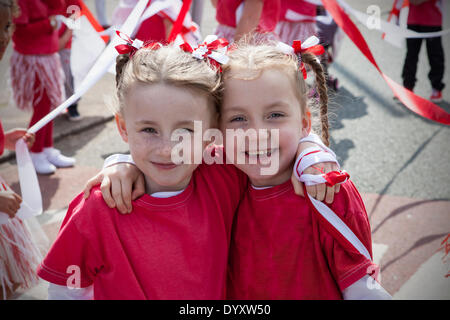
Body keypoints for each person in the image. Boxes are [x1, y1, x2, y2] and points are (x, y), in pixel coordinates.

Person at [221, 40, 391, 299]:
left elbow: (361, 290)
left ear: (303, 124)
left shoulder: (326, 190)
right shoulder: (222, 184)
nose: (256, 134)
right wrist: (133, 165)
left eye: (275, 115)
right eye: (238, 118)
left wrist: (310, 148)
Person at [10, 0, 75, 175]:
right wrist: (50, 23)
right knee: (42, 106)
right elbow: (19, 30)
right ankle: (35, 151)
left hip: (48, 53)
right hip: (34, 57)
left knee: (50, 105)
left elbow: (59, 7)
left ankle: (47, 148)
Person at [401, 0, 445, 102]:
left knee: (435, 55)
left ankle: (436, 87)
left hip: (433, 21)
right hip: (412, 20)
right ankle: (408, 87)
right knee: (411, 55)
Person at [211, 0, 280, 42]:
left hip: (247, 36)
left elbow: (250, 19)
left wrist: (236, 49)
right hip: (227, 32)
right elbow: (217, 5)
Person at [58, 0, 82, 121]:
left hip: (65, 42)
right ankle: (54, 107)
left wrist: (67, 34)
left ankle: (72, 105)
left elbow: (75, 11)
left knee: (67, 75)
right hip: (44, 42)